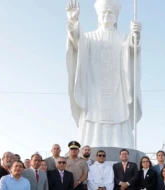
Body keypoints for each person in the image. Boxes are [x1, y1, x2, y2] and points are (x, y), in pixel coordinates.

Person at [65, 0, 142, 148]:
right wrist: (73, 20)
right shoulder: (89, 37)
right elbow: (76, 41)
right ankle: (90, 146)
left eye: (110, 13)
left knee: (119, 115)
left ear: (116, 18)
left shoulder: (123, 37)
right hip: (94, 90)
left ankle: (123, 147)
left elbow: (131, 51)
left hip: (117, 89)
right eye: (104, 13)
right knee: (92, 117)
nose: (107, 16)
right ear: (98, 16)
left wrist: (135, 36)